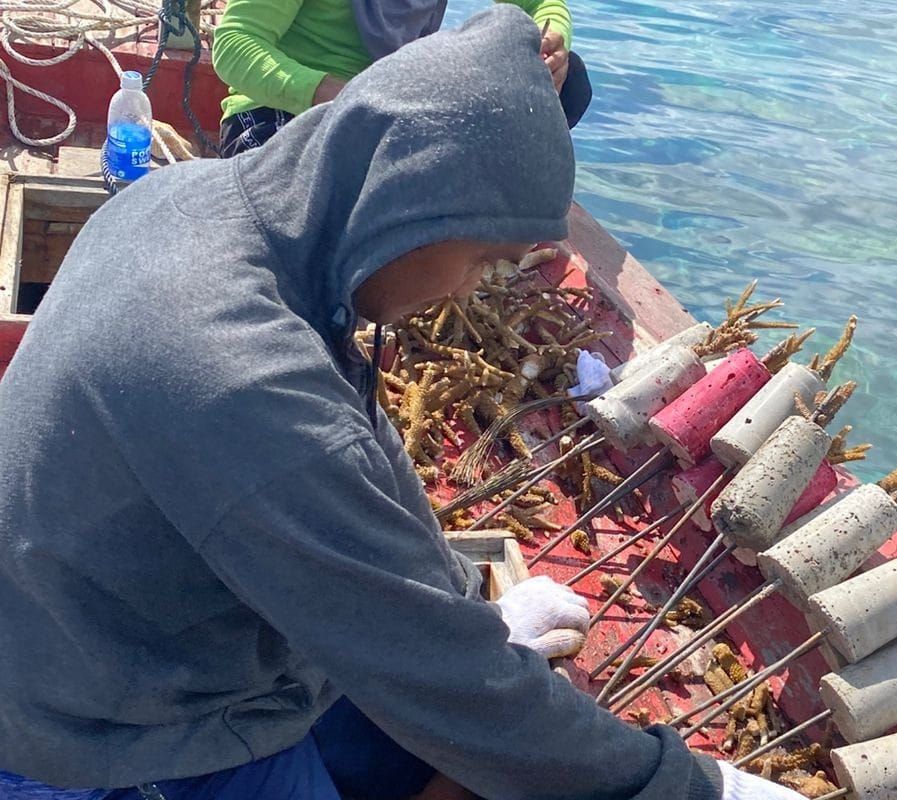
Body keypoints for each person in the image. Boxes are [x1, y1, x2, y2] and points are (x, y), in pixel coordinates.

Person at [0, 8, 806, 800]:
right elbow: (439, 680)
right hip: (94, 736)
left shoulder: (201, 204)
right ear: (411, 201)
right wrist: (691, 787)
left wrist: (463, 602)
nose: (469, 287)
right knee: (476, 744)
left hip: (131, 631)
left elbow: (363, 442)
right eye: (484, 259)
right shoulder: (238, 375)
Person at [212, 0, 592, 158]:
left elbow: (540, 6)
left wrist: (551, 39)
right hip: (283, 115)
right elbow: (234, 44)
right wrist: (340, 96)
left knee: (567, 83)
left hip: (393, 115)